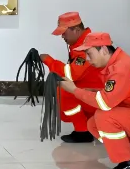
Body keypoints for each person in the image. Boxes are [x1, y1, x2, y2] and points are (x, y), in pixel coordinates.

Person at [60, 32, 130, 169]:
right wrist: (93, 91)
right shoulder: (117, 63)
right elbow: (119, 93)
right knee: (93, 124)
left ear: (104, 50)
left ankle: (128, 163)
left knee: (103, 116)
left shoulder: (120, 68)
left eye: (89, 54)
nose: (87, 59)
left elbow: (105, 103)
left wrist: (74, 90)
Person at [40, 12, 105, 144]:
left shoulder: (86, 47)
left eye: (64, 33)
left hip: (99, 93)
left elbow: (72, 73)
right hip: (94, 89)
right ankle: (90, 124)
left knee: (64, 91)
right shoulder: (81, 43)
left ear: (76, 30)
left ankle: (82, 131)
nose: (62, 36)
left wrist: (49, 61)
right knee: (64, 98)